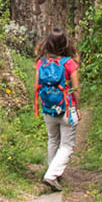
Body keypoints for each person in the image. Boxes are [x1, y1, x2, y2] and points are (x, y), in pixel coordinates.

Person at [34, 28, 81, 192]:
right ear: (64, 44)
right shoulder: (69, 63)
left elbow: (36, 86)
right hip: (67, 107)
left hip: (48, 108)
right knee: (67, 145)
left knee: (53, 139)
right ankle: (52, 175)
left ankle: (52, 172)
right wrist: (78, 108)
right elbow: (76, 89)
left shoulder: (41, 62)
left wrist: (43, 104)